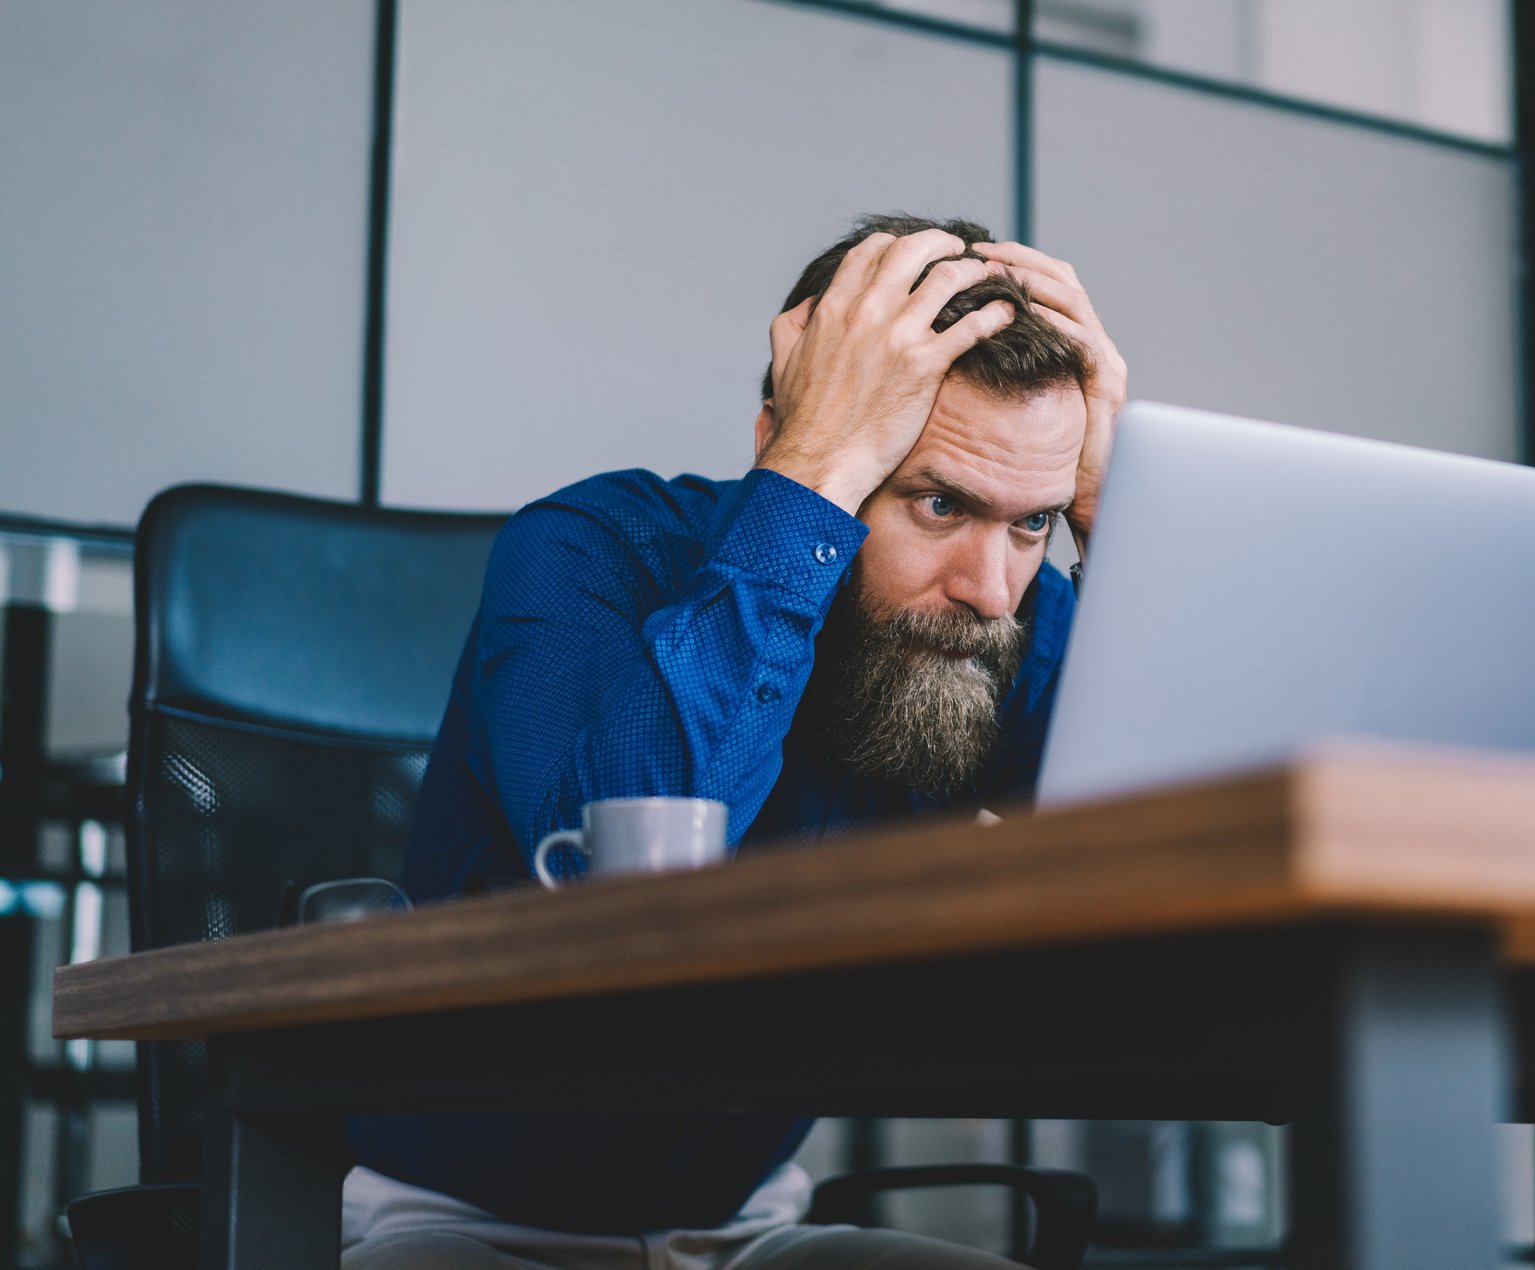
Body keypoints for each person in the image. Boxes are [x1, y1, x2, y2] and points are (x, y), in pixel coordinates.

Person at [341, 214, 1127, 1270]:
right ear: (790, 439)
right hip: (454, 1216)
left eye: (1032, 523)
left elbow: (1207, 844)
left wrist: (1124, 526)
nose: (989, 588)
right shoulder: (587, 550)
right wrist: (813, 479)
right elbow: (623, 878)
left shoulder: (995, 626)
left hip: (748, 1226)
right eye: (938, 503)